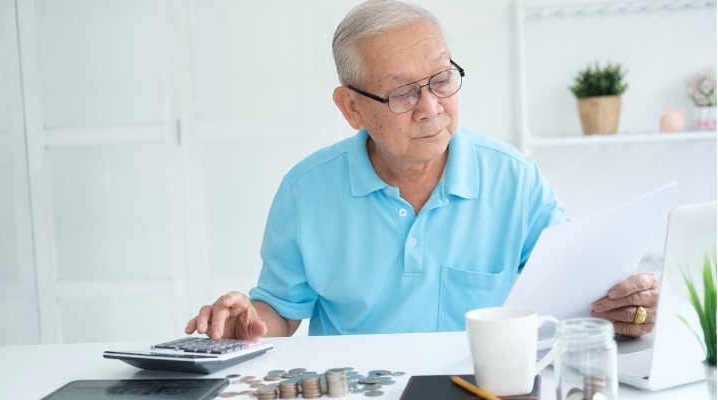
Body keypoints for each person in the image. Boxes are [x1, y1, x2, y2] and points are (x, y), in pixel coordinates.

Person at [185, 0, 659, 340]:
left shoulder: (516, 180)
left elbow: (572, 299)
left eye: (441, 80)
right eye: (402, 93)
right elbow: (282, 312)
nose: (430, 108)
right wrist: (246, 324)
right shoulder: (305, 190)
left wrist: (623, 308)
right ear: (351, 107)